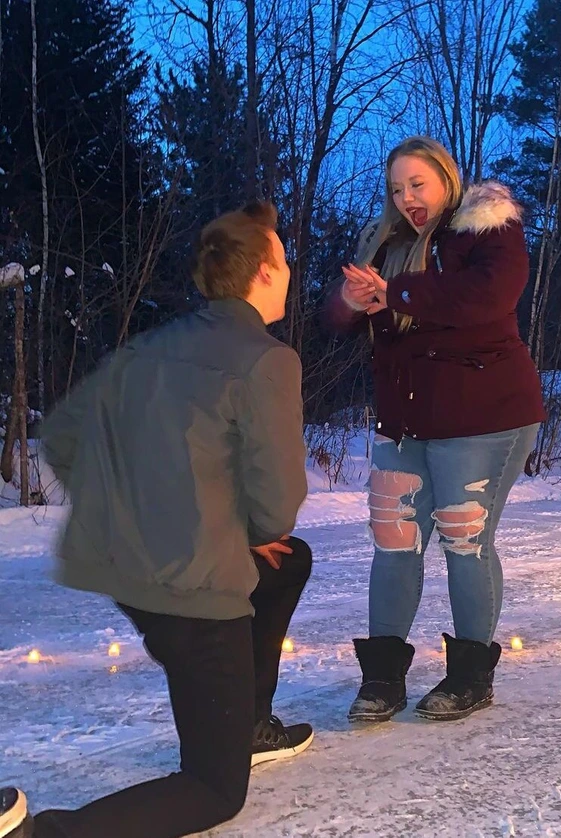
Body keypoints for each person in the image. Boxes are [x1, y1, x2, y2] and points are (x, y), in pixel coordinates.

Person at [1, 201, 313, 838]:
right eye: (282, 260)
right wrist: (231, 530)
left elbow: (60, 439)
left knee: (286, 563)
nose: (288, 271)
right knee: (214, 790)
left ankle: (245, 717)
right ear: (259, 274)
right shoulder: (266, 359)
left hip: (130, 574)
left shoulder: (152, 346)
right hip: (192, 594)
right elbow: (277, 505)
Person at [325, 136, 546, 724]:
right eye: (397, 189)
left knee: (464, 541)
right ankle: (381, 679)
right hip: (404, 421)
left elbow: (483, 298)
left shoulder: (487, 229)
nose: (407, 200)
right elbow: (340, 323)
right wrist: (350, 301)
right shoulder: (388, 242)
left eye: (417, 185)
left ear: (446, 179)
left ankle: (471, 676)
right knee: (394, 544)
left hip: (484, 417)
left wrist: (393, 292)